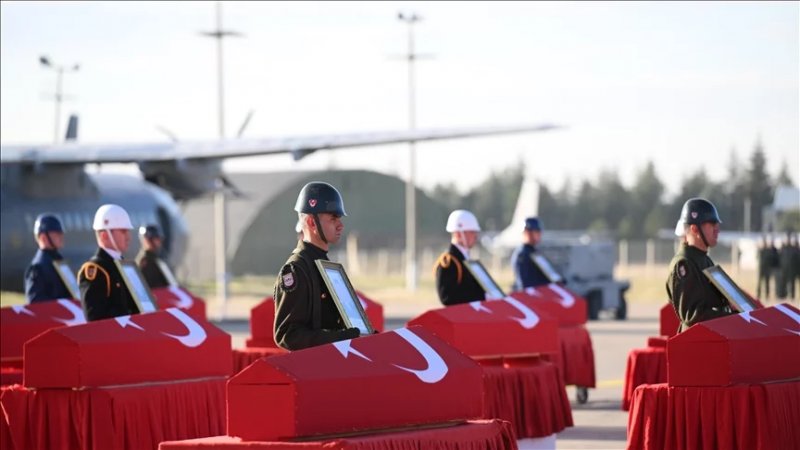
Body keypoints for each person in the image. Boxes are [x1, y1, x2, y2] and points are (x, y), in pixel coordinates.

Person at [273, 182, 360, 351]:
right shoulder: (297, 269)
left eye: (339, 219)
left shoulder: (325, 264)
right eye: (333, 218)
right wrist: (341, 338)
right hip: (313, 365)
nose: (340, 225)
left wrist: (363, 336)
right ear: (312, 223)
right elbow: (287, 335)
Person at [666, 198, 735, 333]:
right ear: (694, 229)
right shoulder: (684, 264)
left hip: (712, 337)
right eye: (712, 224)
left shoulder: (704, 260)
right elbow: (692, 316)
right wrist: (732, 317)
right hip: (696, 342)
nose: (717, 230)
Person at [78, 204, 140, 322]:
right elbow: (95, 320)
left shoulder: (124, 265)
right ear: (105, 235)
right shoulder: (96, 269)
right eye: (123, 232)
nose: (129, 237)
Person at [434, 209, 486, 306]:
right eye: (471, 232)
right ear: (458, 234)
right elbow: (447, 297)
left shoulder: (467, 259)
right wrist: (481, 297)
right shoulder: (448, 262)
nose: (475, 236)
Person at [24, 213, 73, 303]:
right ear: (43, 237)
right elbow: (35, 303)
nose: (61, 236)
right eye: (57, 234)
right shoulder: (37, 268)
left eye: (61, 233)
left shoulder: (59, 260)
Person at [510, 217, 551, 291]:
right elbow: (525, 285)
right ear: (526, 232)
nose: (539, 235)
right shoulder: (522, 255)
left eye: (539, 232)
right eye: (536, 232)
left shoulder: (533, 252)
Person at [135, 224, 171, 289]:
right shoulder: (145, 261)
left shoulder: (155, 258)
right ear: (147, 240)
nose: (159, 242)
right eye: (156, 238)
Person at [756, 236, 777, 300]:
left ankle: (767, 295)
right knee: (760, 282)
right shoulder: (761, 250)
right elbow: (757, 257)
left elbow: (772, 258)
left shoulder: (769, 251)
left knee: (767, 282)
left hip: (767, 268)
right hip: (762, 268)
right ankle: (758, 295)